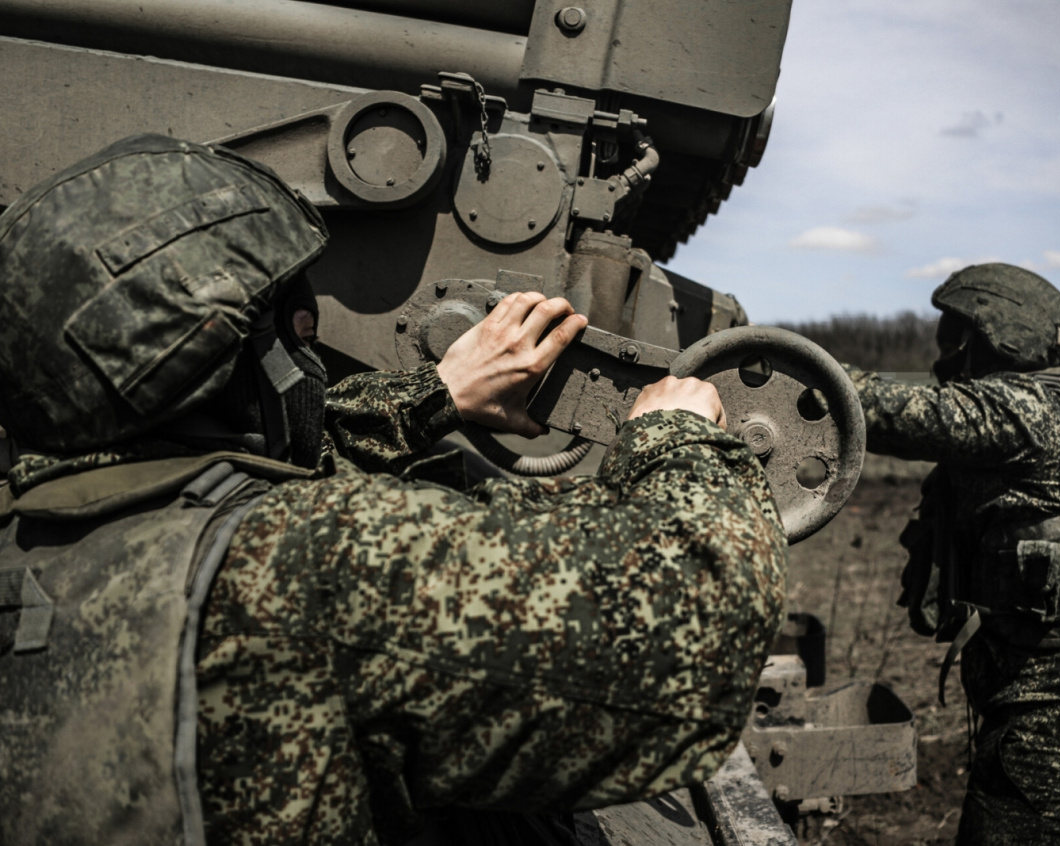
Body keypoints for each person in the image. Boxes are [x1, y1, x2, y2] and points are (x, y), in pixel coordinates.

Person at [0, 135, 788, 845]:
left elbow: (244, 473)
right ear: (228, 357)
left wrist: (433, 395)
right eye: (296, 328)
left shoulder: (37, 536)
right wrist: (678, 439)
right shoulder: (306, 564)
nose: (308, 348)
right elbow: (691, 632)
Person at [844, 264, 1060, 845]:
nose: (945, 356)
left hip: (1058, 725)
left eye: (954, 337)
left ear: (995, 336)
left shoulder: (1025, 409)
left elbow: (887, 411)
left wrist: (789, 368)